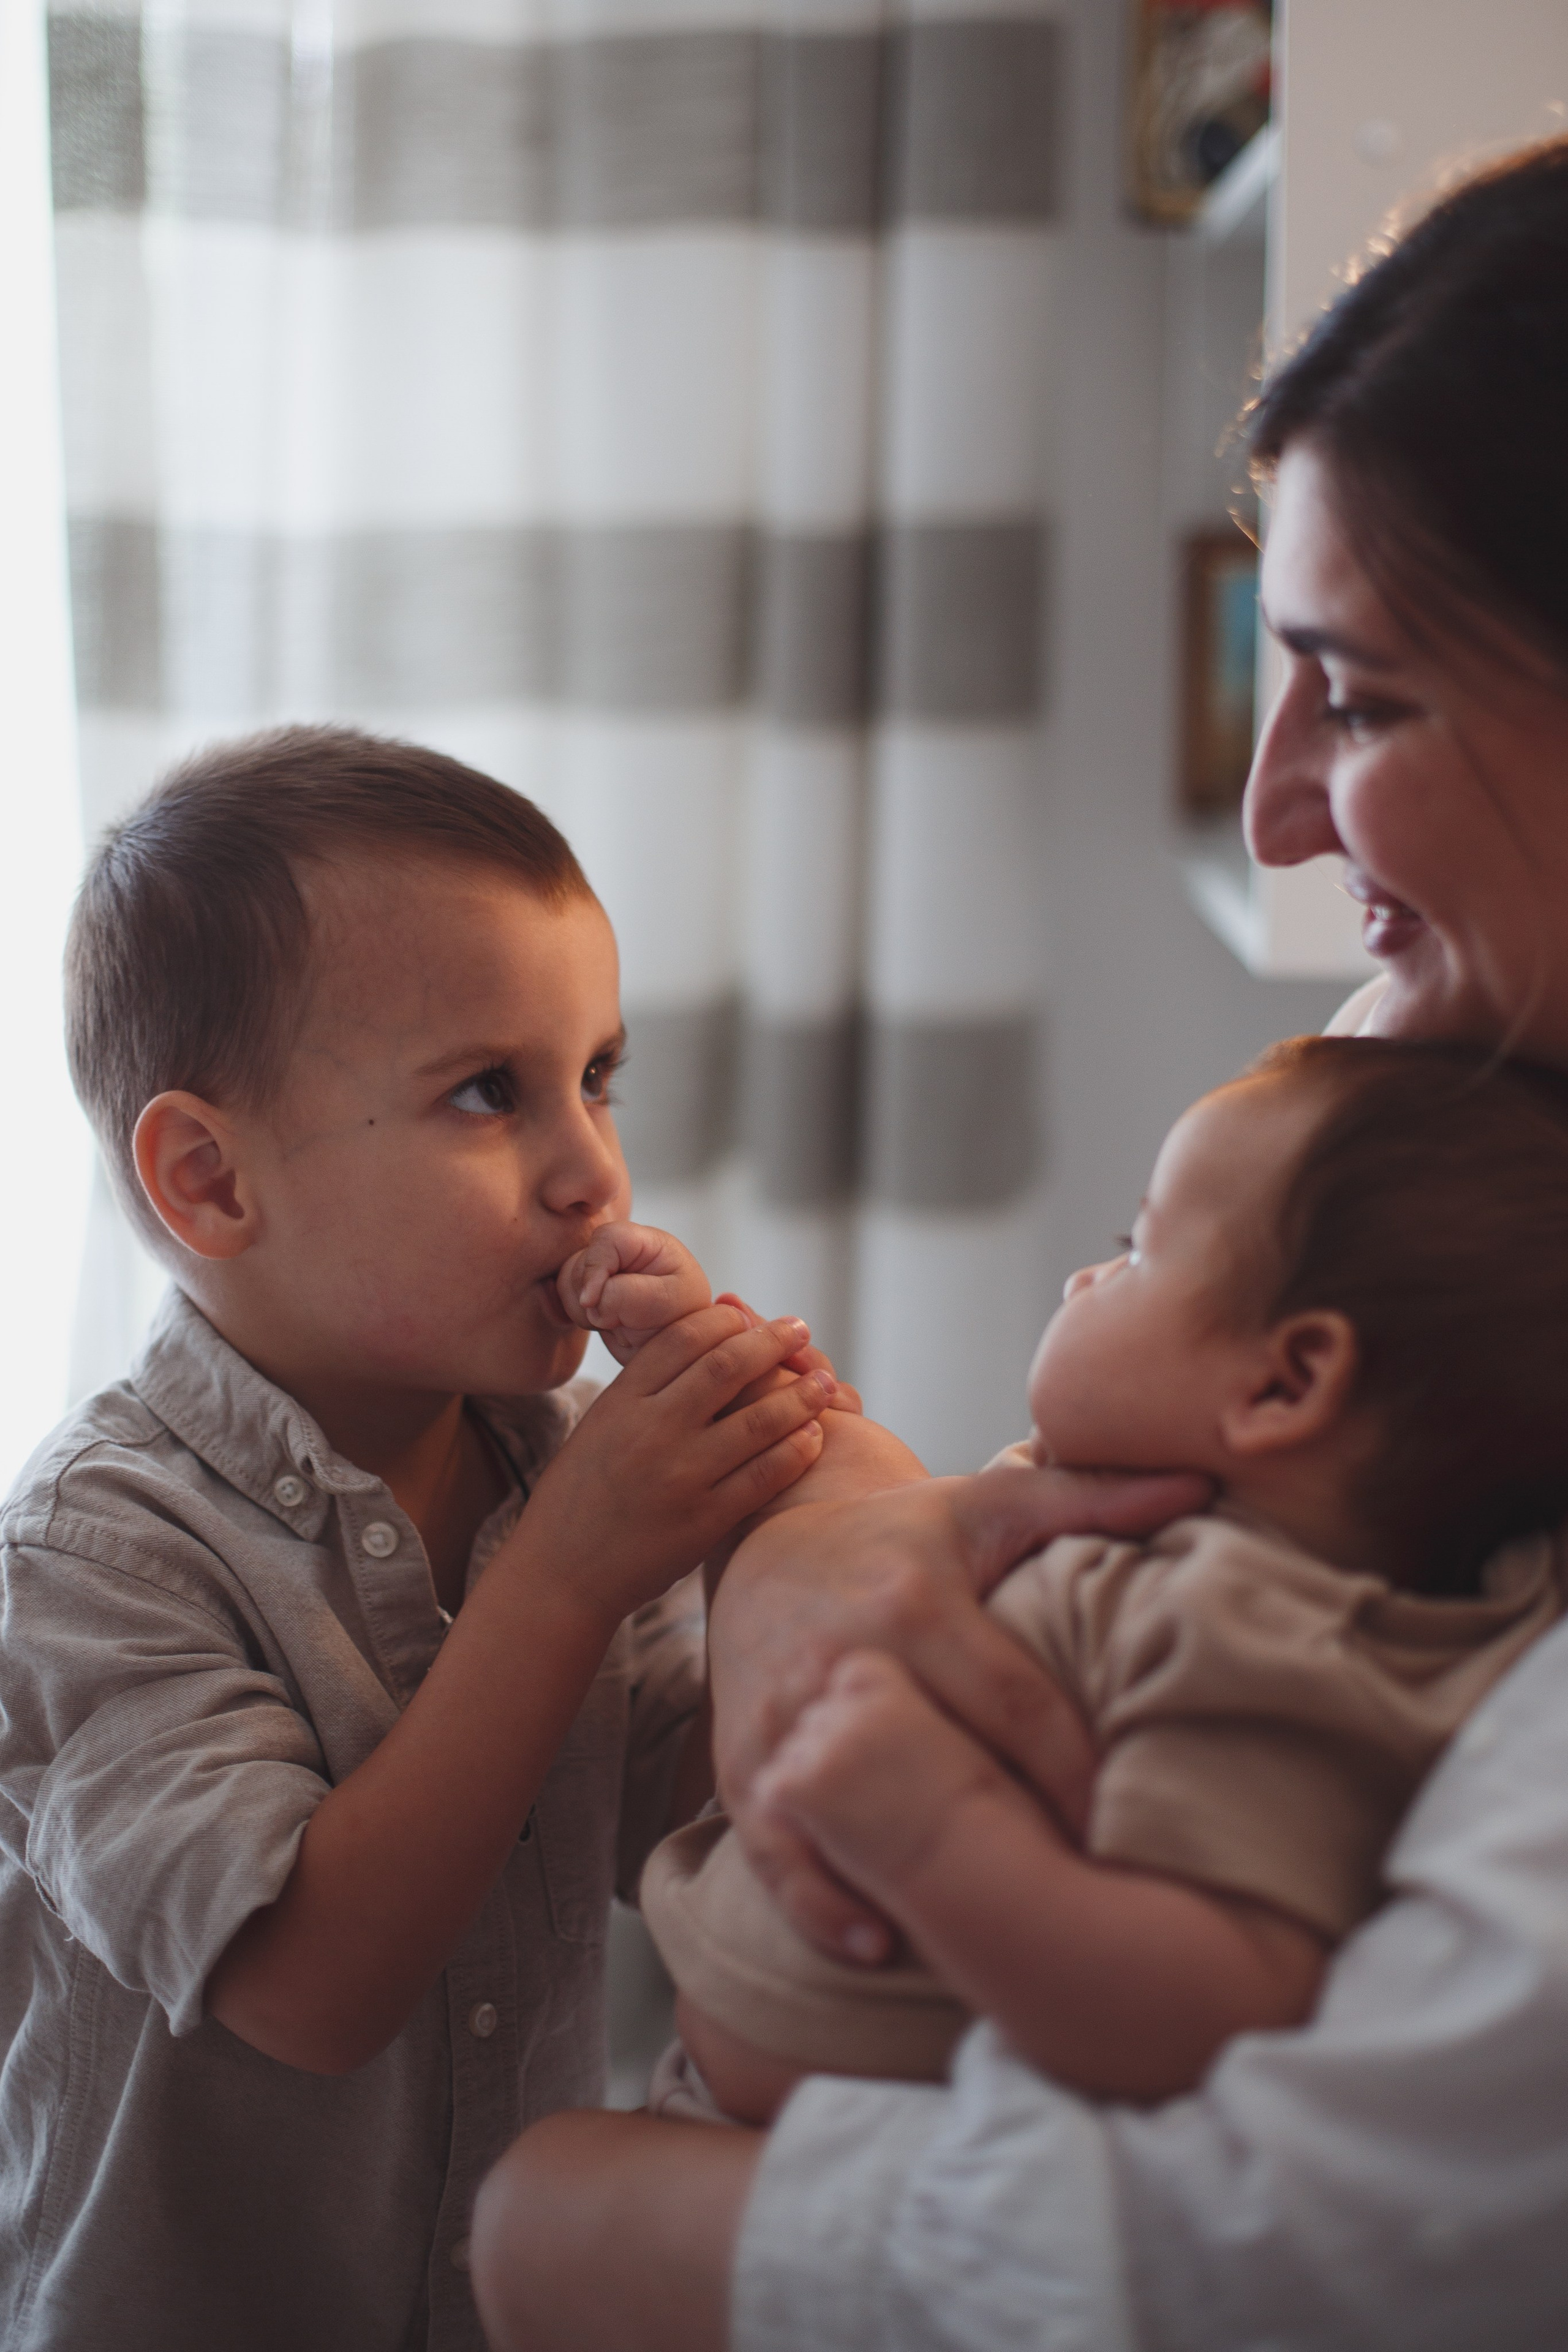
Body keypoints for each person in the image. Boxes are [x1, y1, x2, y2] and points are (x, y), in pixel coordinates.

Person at [470, 134, 1568, 2352]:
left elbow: (1312, 2254)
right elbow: (1086, 1498)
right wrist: (829, 1557)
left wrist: (577, 2224)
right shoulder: (1447, 1071)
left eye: (1356, 695)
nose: (1274, 807)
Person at [0, 723, 932, 2352]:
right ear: (211, 1183)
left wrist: (767, 1525)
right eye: (488, 1092)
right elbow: (312, 1985)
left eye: (597, 1077)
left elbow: (701, 1826)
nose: (593, 1172)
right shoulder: (95, 1560)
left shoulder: (543, 1462)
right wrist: (575, 1567)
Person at [635, 1035, 1568, 2127]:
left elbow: (1217, 2004)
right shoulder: (1128, 1515)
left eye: (1136, 1250)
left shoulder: (1262, 1634)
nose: (1087, 1276)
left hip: (850, 2159)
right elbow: (873, 1527)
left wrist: (933, 1833)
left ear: (1286, 1382)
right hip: (743, 2105)